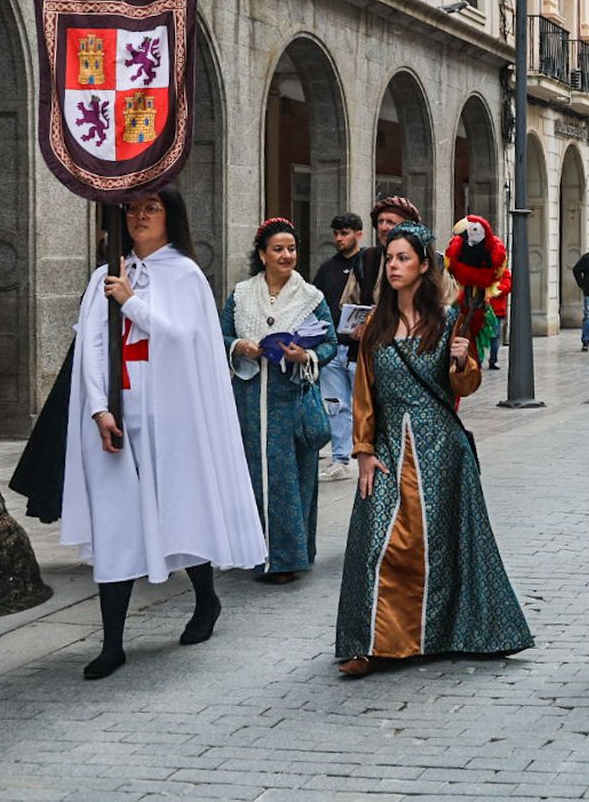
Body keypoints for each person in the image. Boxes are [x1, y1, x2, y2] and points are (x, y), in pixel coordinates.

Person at [61, 187, 267, 680]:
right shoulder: (105, 277)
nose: (139, 217)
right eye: (132, 210)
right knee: (117, 523)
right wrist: (97, 409)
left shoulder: (186, 276)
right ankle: (112, 644)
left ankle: (206, 599)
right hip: (115, 419)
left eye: (150, 209)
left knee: (175, 507)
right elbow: (91, 347)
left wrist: (132, 305)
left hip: (171, 419)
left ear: (170, 217)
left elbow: (188, 340)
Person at [335, 221, 532, 676]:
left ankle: (435, 636)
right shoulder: (374, 327)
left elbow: (464, 384)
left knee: (437, 549)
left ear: (425, 265)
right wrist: (362, 449)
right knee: (379, 544)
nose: (394, 266)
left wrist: (463, 359)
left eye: (403, 258)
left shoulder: (447, 323)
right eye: (390, 258)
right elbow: (364, 394)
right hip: (387, 446)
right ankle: (368, 642)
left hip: (441, 449)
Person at [223, 218, 338, 583]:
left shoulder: (311, 298)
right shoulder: (241, 294)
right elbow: (220, 334)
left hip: (292, 401)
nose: (286, 255)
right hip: (250, 401)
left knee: (291, 478)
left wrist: (304, 356)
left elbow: (331, 344)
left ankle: (289, 558)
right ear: (262, 254)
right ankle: (255, 554)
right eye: (278, 249)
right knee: (252, 477)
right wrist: (239, 346)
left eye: (291, 249)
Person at [313, 213, 365, 482]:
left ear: (358, 234)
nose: (339, 239)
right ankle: (340, 458)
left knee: (363, 404)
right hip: (333, 348)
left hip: (360, 348)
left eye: (344, 233)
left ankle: (369, 453)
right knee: (335, 405)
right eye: (336, 233)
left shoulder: (368, 264)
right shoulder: (327, 269)